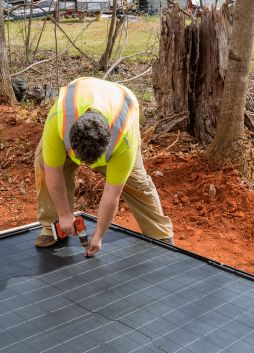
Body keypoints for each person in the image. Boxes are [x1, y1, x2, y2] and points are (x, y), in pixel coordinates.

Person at [34, 77, 174, 257]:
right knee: (43, 163)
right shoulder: (57, 122)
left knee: (137, 184)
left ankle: (160, 233)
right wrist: (64, 214)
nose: (87, 166)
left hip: (120, 108)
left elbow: (111, 194)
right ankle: (54, 226)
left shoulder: (124, 140)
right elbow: (53, 173)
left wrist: (99, 235)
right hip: (74, 113)